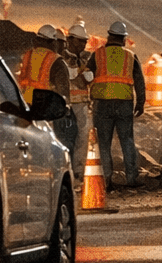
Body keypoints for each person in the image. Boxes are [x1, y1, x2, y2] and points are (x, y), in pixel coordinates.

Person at [89, 21, 145, 187]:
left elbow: (86, 76)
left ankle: (106, 180)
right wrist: (140, 102)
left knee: (104, 144)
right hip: (124, 103)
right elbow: (139, 81)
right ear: (124, 38)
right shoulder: (130, 56)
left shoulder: (97, 55)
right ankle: (131, 178)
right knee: (127, 140)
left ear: (109, 36)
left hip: (102, 103)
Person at [19, 24, 76, 160]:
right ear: (52, 41)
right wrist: (65, 109)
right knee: (53, 142)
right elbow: (63, 89)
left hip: (25, 105)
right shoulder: (55, 60)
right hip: (46, 107)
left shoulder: (27, 55)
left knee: (28, 141)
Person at [60, 22, 92, 172]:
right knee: (66, 138)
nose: (83, 44)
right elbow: (73, 78)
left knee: (82, 138)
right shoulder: (62, 58)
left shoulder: (84, 58)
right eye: (80, 40)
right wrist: (82, 76)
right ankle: (65, 169)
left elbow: (88, 78)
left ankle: (78, 170)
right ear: (70, 40)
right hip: (66, 104)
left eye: (85, 41)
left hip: (81, 104)